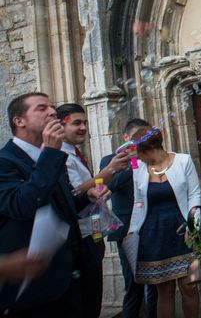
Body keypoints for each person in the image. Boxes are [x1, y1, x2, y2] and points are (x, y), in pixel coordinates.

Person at [0, 93, 98, 316]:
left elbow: (61, 205)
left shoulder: (52, 158)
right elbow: (21, 205)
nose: (53, 112)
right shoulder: (5, 161)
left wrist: (86, 196)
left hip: (67, 279)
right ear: (19, 121)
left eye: (53, 108)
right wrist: (51, 154)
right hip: (30, 289)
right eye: (42, 108)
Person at [56, 103, 129, 318]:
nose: (83, 128)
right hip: (81, 234)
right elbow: (75, 192)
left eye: (85, 123)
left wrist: (99, 189)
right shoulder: (61, 156)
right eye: (76, 123)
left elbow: (86, 189)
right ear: (60, 125)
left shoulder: (74, 153)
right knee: (87, 297)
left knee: (93, 294)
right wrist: (109, 170)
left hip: (93, 229)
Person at [127, 126, 201, 318]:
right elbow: (138, 202)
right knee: (165, 292)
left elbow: (194, 194)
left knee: (190, 287)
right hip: (153, 234)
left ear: (148, 148)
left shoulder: (183, 160)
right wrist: (132, 231)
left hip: (183, 231)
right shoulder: (139, 169)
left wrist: (193, 225)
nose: (138, 158)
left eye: (139, 153)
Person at [100, 118, 158, 318]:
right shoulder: (110, 161)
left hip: (152, 224)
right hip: (126, 230)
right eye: (137, 137)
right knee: (133, 283)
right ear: (126, 138)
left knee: (157, 283)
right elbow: (109, 186)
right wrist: (133, 162)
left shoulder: (152, 158)